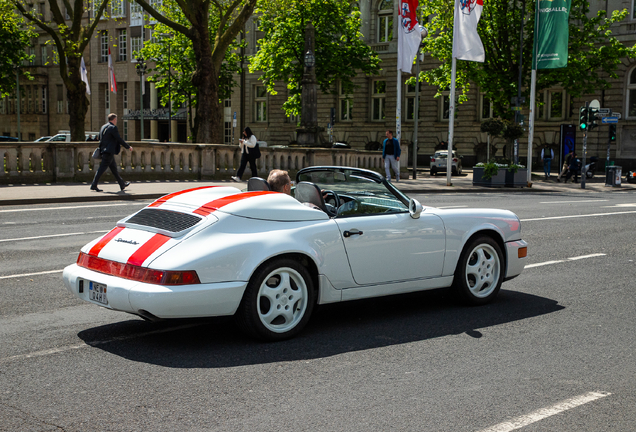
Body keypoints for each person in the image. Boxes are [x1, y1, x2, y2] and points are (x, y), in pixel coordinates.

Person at [90, 113, 132, 192]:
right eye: (116, 120)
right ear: (114, 120)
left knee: (114, 169)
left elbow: (100, 138)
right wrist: (128, 147)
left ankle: (122, 184)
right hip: (109, 151)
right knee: (101, 169)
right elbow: (119, 139)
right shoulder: (113, 128)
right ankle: (94, 185)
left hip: (104, 150)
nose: (116, 121)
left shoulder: (103, 127)